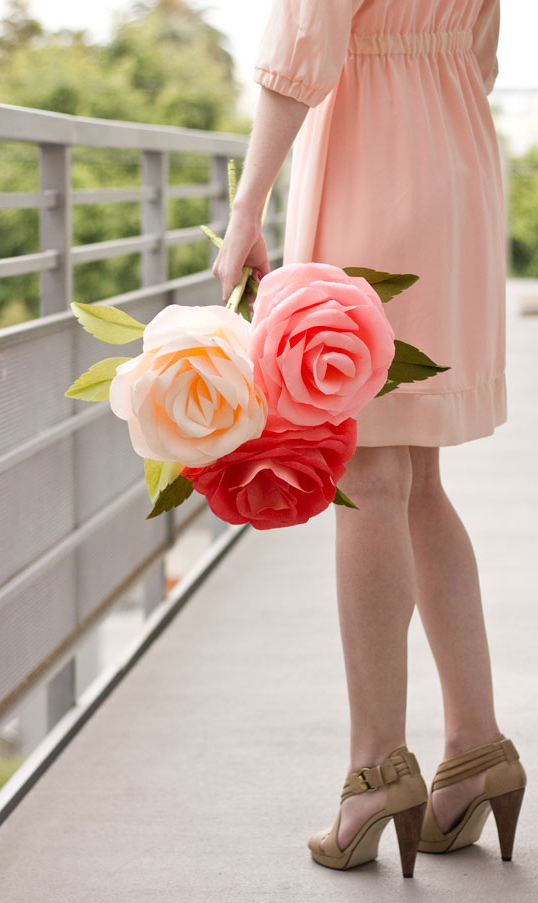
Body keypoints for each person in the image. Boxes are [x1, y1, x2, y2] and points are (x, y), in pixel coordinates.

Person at [212, 0, 527, 877]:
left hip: (370, 153)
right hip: (455, 141)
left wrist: (248, 202)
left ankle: (373, 768)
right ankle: (475, 748)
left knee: (369, 476)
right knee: (415, 476)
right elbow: (483, 46)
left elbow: (306, 38)